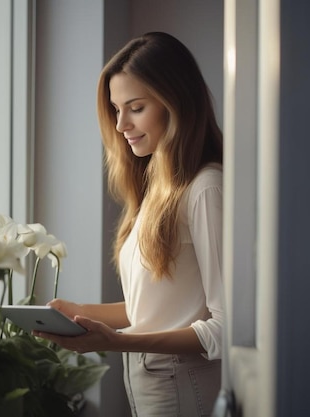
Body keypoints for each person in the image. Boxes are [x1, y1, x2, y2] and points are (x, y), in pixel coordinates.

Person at [34, 31, 224, 417]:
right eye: (116, 109)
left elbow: (225, 327)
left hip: (184, 390)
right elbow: (157, 308)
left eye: (135, 107)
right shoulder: (158, 190)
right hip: (150, 386)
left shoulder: (206, 189)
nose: (121, 125)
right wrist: (79, 311)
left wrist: (118, 342)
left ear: (176, 103)